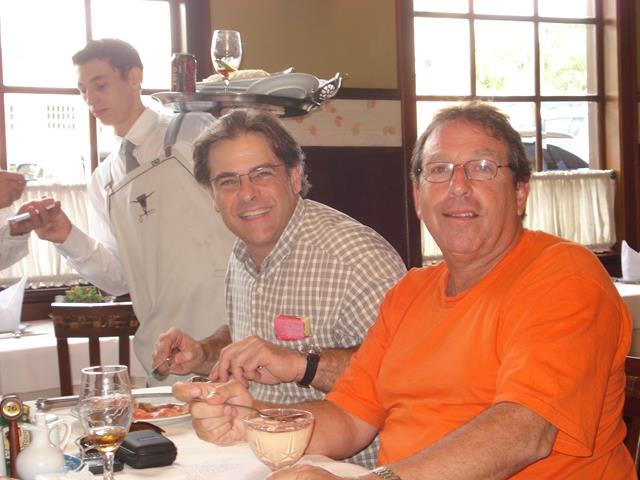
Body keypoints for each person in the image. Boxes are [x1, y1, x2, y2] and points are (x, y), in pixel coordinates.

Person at [172, 102, 635, 479]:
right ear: (417, 197)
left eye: (481, 168)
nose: (458, 187)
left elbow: (524, 432)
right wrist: (254, 420)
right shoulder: (412, 292)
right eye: (438, 170)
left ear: (519, 192)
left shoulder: (562, 275)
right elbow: (350, 418)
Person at [154, 109, 406, 467]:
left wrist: (301, 364)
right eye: (228, 181)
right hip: (258, 454)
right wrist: (205, 353)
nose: (247, 194)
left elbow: (399, 373)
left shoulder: (356, 258)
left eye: (262, 174)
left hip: (347, 470)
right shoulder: (241, 253)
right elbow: (253, 338)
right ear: (211, 194)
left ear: (294, 177)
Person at [22, 39, 235, 384]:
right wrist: (66, 236)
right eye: (82, 90)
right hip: (163, 349)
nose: (90, 98)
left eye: (100, 84)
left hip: (227, 332)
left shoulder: (192, 131)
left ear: (134, 77)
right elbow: (118, 278)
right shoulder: (104, 179)